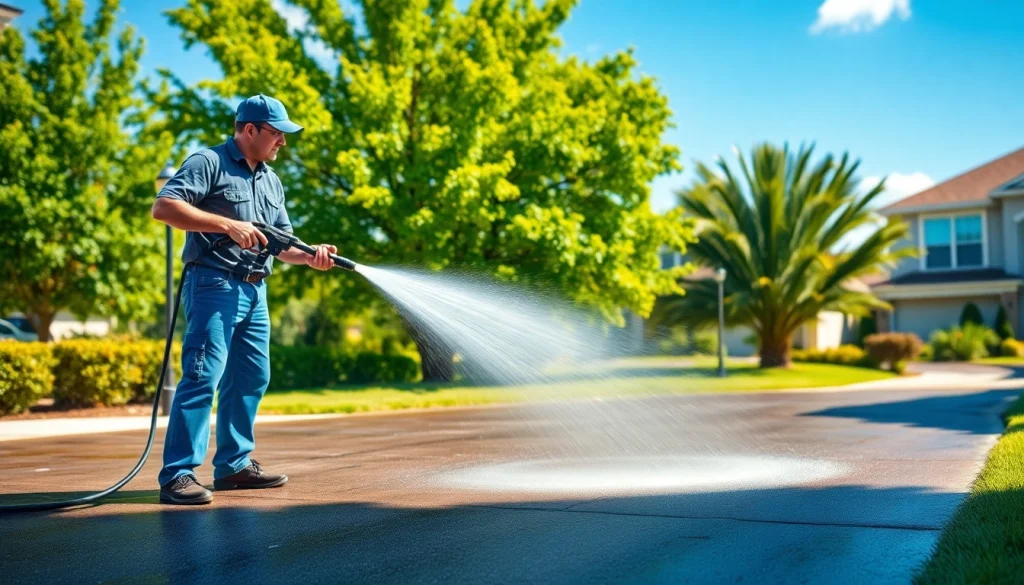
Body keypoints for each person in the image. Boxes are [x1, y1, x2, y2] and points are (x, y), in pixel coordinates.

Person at [151, 94, 337, 505]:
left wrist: (312, 255)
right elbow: (164, 207)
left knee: (252, 377)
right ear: (249, 129)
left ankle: (234, 466)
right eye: (277, 133)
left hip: (255, 290)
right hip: (213, 284)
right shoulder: (209, 162)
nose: (283, 142)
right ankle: (178, 475)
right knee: (202, 376)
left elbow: (282, 244)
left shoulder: (271, 180)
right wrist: (227, 225)